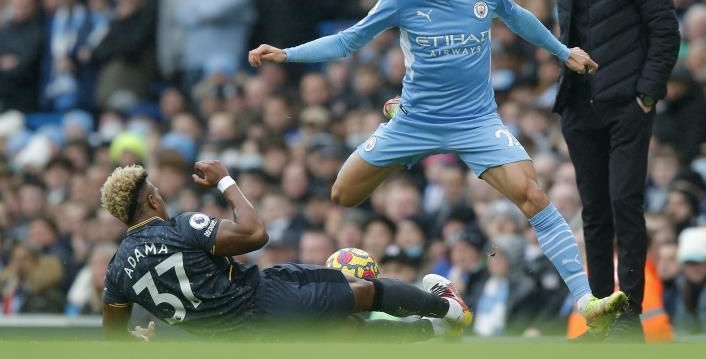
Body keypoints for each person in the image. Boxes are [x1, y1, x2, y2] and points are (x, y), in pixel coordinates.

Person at [249, 0, 628, 336]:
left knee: (533, 195)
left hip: (475, 121)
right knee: (343, 194)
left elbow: (519, 20)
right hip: (417, 121)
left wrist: (562, 51)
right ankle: (402, 131)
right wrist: (286, 54)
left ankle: (586, 300)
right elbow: (348, 41)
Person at [101, 160, 471, 341]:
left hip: (235, 341)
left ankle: (434, 332)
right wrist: (226, 181)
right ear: (151, 200)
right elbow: (255, 233)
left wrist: (140, 343)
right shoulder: (180, 227)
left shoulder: (117, 271)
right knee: (363, 292)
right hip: (259, 303)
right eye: (159, 194)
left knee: (343, 336)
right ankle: (449, 308)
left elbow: (113, 339)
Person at [553, 0, 680, 340]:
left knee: (625, 204)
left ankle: (630, 316)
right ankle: (603, 317)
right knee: (593, 212)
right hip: (580, 105)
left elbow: (666, 33)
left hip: (626, 103)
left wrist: (646, 94)